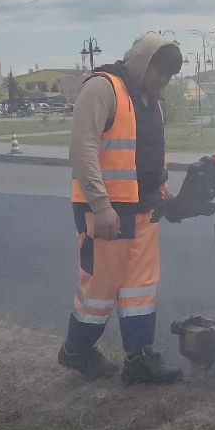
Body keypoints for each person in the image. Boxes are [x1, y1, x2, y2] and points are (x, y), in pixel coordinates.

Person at [60, 33, 186, 384]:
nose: (162, 79)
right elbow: (82, 149)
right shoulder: (103, 88)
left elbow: (148, 155)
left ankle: (139, 360)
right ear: (141, 62)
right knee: (99, 288)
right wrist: (101, 205)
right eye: (158, 70)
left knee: (140, 288)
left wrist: (165, 194)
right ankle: (75, 351)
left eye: (168, 75)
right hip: (105, 212)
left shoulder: (151, 101)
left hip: (144, 210)